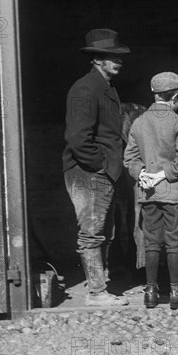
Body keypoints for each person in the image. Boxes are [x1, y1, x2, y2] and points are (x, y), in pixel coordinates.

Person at [62, 28, 130, 306]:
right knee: (92, 233)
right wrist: (100, 165)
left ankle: (101, 284)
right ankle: (97, 293)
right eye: (110, 56)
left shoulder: (105, 87)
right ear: (95, 60)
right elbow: (78, 138)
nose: (118, 61)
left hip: (102, 172)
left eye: (118, 56)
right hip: (89, 173)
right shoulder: (85, 89)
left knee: (104, 231)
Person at [123, 72, 178, 309]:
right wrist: (163, 175)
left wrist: (142, 174)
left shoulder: (139, 122)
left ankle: (151, 293)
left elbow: (130, 158)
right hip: (174, 191)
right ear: (174, 96)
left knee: (152, 242)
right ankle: (176, 292)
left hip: (148, 193)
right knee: (175, 242)